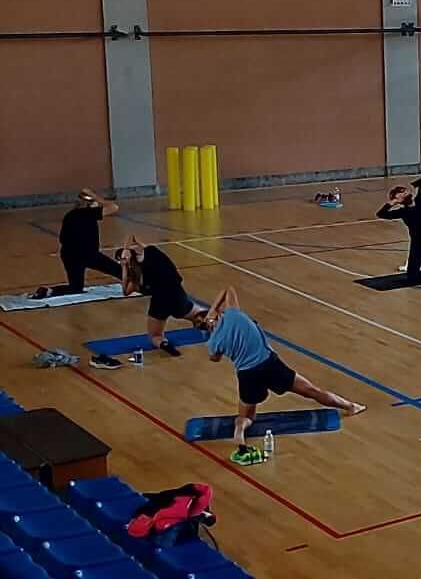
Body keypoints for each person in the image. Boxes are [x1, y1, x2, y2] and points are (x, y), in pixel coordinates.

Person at [202, 286, 365, 466]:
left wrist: (213, 333)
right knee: (312, 391)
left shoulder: (213, 343)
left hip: (247, 375)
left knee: (248, 416)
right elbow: (228, 290)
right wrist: (213, 310)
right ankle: (350, 406)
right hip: (270, 365)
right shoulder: (234, 314)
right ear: (219, 314)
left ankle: (239, 431)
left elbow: (214, 358)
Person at [112, 235, 204, 367]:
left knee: (155, 336)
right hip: (176, 293)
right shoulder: (151, 252)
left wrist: (124, 268)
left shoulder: (136, 277)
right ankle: (209, 322)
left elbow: (125, 291)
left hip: (160, 301)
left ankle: (164, 344)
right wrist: (126, 248)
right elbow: (132, 236)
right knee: (194, 312)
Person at [31, 188, 123, 300]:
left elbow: (62, 238)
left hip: (69, 256)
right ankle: (141, 284)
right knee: (119, 271)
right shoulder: (90, 213)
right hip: (89, 255)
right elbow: (114, 207)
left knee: (75, 288)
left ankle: (49, 291)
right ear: (90, 204)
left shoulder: (69, 215)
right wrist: (94, 195)